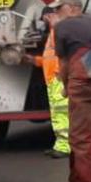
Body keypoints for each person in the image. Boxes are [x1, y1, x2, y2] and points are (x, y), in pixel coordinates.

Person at [51, 0, 91, 182]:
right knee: (85, 134)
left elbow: (65, 63)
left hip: (82, 83)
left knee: (80, 138)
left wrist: (65, 86)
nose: (56, 13)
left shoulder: (62, 28)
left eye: (60, 8)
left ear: (74, 7)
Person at [31, 8, 69, 159]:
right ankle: (60, 145)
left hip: (57, 78)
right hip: (53, 78)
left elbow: (62, 56)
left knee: (61, 114)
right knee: (58, 114)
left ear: (50, 16)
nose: (44, 22)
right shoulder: (54, 33)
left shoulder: (57, 32)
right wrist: (34, 60)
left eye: (45, 19)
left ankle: (64, 147)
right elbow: (50, 58)